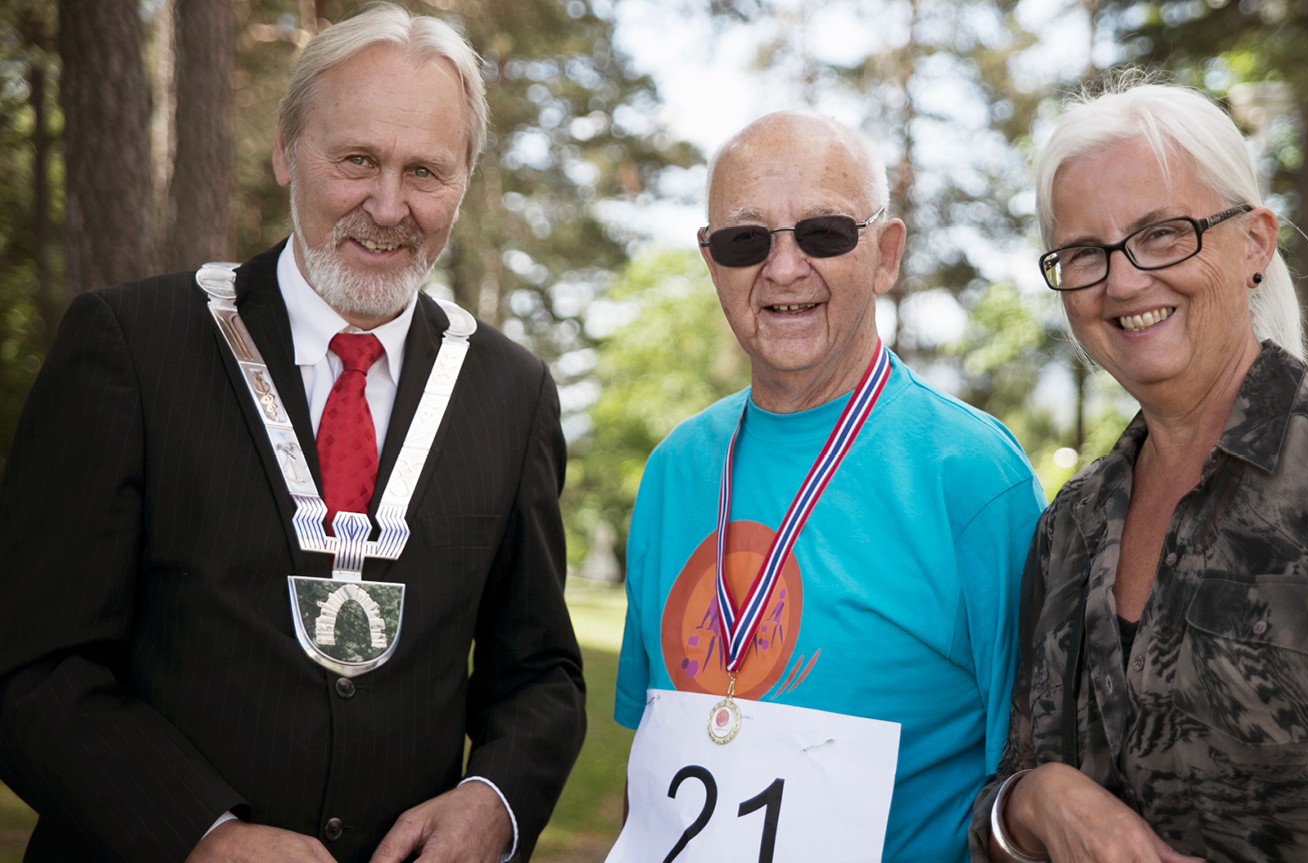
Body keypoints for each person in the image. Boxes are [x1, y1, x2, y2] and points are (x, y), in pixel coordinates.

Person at [0, 6, 584, 863]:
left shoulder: (511, 391)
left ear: (463, 182)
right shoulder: (132, 346)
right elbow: (33, 667)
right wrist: (200, 834)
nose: (388, 206)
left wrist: (493, 801)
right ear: (285, 151)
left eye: (425, 170)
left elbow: (538, 674)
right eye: (357, 160)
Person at [973, 80, 1308, 863]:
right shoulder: (1073, 520)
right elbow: (1003, 796)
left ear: (1255, 245)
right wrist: (1035, 800)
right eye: (1084, 253)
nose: (1124, 281)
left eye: (1163, 234)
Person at [606, 111, 1046, 863]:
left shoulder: (975, 479)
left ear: (885, 255)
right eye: (747, 240)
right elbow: (656, 762)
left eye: (825, 233)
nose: (783, 269)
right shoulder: (675, 469)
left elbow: (1034, 786)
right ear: (713, 261)